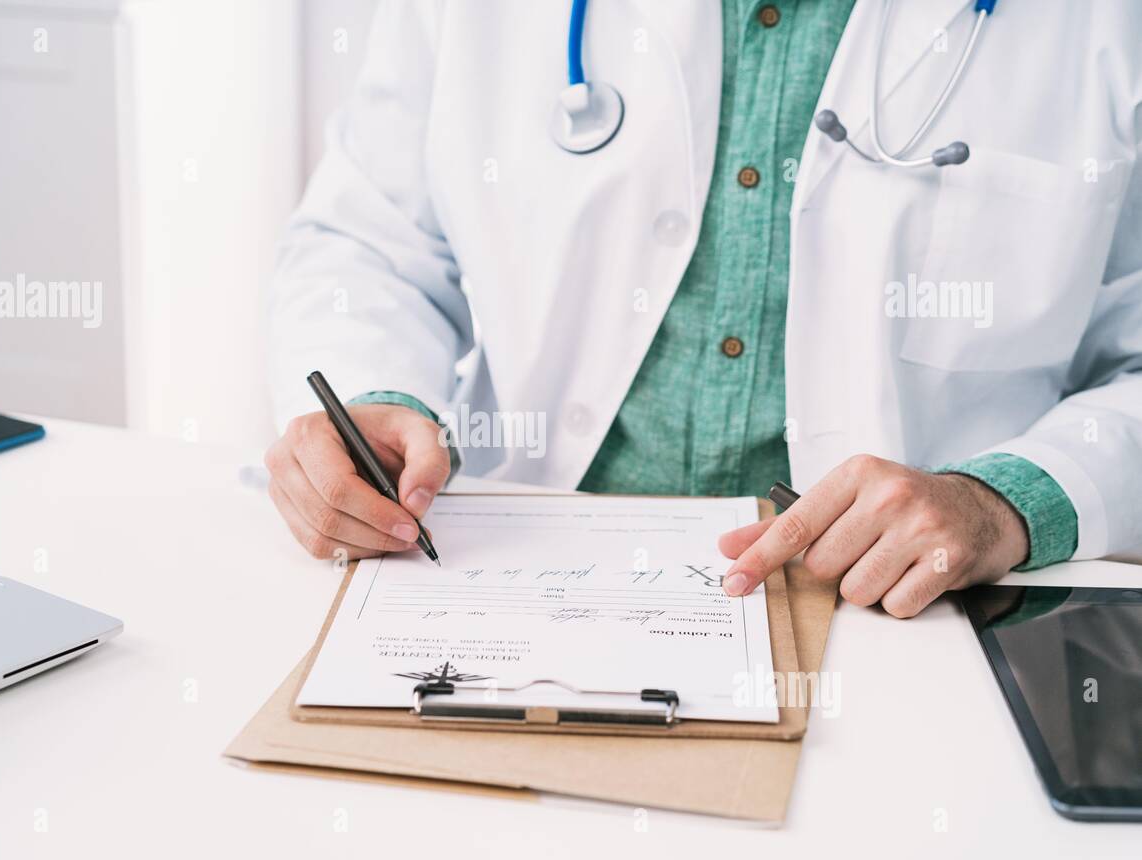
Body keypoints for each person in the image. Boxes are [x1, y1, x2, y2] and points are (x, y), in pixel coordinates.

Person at [264, 0, 1142, 618]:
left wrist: (1004, 503)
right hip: (507, 577)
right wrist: (375, 398)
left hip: (911, 609)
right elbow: (368, 242)